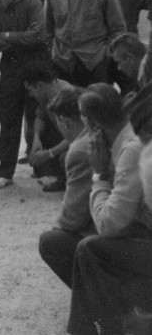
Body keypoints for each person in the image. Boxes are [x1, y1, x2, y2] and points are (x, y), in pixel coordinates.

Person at [67, 84, 152, 335]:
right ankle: (96, 324)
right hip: (141, 231)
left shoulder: (130, 149)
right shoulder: (119, 141)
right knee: (59, 242)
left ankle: (105, 326)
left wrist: (99, 175)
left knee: (90, 248)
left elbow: (108, 225)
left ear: (92, 124)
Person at [0, 0, 49, 189]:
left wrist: (8, 36)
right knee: (9, 117)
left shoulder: (30, 0)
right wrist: (23, 38)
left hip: (36, 65)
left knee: (38, 115)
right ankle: (5, 172)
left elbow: (39, 36)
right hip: (10, 68)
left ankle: (43, 169)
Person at [45, 0, 126, 86]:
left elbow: (118, 29)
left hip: (95, 63)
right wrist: (51, 54)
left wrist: (106, 55)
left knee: (96, 104)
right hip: (62, 62)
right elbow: (47, 30)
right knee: (65, 106)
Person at [38, 87, 94, 287]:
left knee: (51, 242)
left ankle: (94, 300)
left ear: (65, 121)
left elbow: (72, 218)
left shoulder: (79, 150)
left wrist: (58, 228)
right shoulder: (100, 132)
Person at [23, 62, 72, 192]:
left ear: (39, 85)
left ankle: (69, 181)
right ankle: (55, 175)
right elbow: (40, 116)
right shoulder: (46, 93)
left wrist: (49, 154)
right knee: (32, 131)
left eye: (30, 90)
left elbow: (76, 136)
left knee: (67, 157)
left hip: (80, 141)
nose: (30, 94)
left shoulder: (64, 96)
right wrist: (36, 138)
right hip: (65, 135)